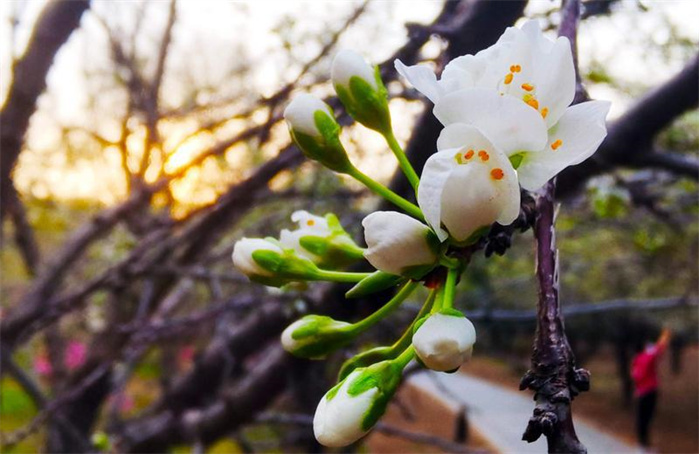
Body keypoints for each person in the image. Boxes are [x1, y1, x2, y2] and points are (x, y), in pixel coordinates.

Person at [630, 327, 671, 448]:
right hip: (650, 391)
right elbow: (659, 349)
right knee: (646, 418)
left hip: (641, 392)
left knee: (641, 418)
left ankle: (642, 443)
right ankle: (644, 444)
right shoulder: (647, 357)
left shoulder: (636, 359)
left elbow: (635, 375)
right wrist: (665, 335)